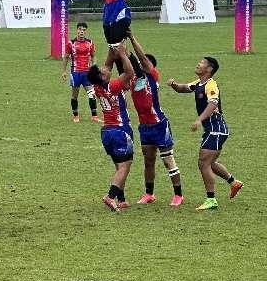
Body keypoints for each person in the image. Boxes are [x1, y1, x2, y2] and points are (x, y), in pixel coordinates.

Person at [168, 57, 243, 211]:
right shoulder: (199, 83)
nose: (198, 64)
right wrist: (174, 85)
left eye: (202, 63)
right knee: (210, 163)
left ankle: (211, 199)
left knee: (203, 163)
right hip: (213, 130)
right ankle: (233, 182)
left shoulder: (211, 85)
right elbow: (184, 88)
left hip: (216, 129)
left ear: (209, 69)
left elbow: (213, 103)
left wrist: (199, 119)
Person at [126, 30, 183, 207]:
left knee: (168, 160)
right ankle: (149, 193)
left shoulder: (152, 75)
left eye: (145, 62)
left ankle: (178, 195)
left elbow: (141, 58)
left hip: (159, 125)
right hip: (144, 127)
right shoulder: (134, 79)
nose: (141, 64)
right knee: (148, 160)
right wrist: (120, 46)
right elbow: (129, 61)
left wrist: (132, 38)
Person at [87, 44, 135, 212]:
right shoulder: (113, 86)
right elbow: (130, 73)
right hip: (120, 130)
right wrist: (122, 54)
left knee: (119, 165)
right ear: (103, 76)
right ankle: (110, 196)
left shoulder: (98, 86)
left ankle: (121, 199)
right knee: (125, 166)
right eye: (102, 70)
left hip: (107, 131)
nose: (105, 68)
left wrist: (112, 45)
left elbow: (107, 65)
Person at [61, 21, 99, 123]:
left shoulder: (90, 43)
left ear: (86, 31)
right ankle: (76, 115)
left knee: (92, 94)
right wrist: (64, 71)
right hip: (75, 73)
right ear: (77, 30)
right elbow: (66, 57)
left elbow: (93, 56)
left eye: (84, 30)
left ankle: (94, 116)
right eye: (80, 29)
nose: (81, 31)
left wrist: (94, 67)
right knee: (75, 95)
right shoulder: (71, 43)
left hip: (87, 73)